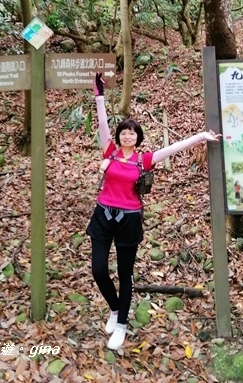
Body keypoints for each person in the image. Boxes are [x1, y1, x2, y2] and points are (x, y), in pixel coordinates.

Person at [86, 73, 222, 351]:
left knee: (126, 274)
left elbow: (173, 148)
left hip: (129, 220)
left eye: (132, 132)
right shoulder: (109, 152)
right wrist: (99, 94)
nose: (127, 135)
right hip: (103, 216)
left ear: (137, 138)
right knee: (98, 269)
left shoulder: (143, 160)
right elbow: (102, 123)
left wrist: (200, 137)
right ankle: (114, 308)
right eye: (123, 131)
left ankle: (122, 325)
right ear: (119, 136)